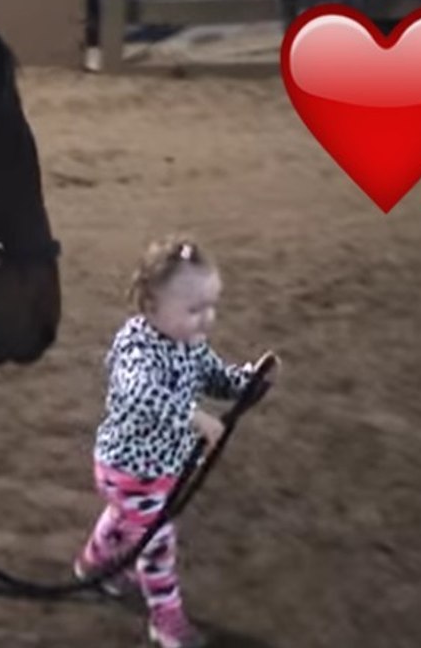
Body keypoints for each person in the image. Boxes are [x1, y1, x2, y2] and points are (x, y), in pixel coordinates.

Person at [73, 236, 277, 648]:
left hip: (159, 468)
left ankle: (94, 565)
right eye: (194, 309)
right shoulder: (136, 347)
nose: (206, 319)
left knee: (126, 522)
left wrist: (247, 382)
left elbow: (216, 376)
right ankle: (166, 622)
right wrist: (193, 416)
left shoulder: (190, 344)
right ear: (151, 307)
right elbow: (139, 392)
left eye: (211, 307)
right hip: (131, 469)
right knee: (155, 544)